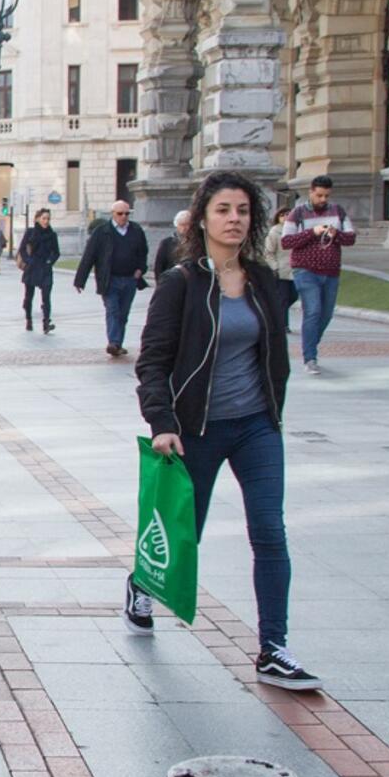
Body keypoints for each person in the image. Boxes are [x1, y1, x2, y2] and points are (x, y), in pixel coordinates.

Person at [134, 170, 318, 690]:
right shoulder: (181, 284)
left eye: (242, 211)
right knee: (182, 532)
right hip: (197, 430)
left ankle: (274, 648)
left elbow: (275, 351)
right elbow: (152, 362)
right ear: (202, 219)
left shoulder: (262, 281)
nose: (234, 219)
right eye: (223, 210)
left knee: (269, 531)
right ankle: (140, 586)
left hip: (257, 426)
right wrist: (163, 422)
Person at [278, 176, 357, 376]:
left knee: (326, 314)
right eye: (319, 195)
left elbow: (350, 238)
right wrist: (312, 232)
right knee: (312, 311)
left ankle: (310, 344)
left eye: (326, 196)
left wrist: (336, 234)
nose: (323, 199)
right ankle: (310, 358)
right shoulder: (297, 213)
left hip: (331, 271)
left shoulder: (338, 211)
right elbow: (286, 242)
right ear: (311, 192)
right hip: (305, 270)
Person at [74, 200, 148, 357]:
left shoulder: (136, 230)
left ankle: (118, 343)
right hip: (109, 279)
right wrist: (80, 280)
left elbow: (143, 252)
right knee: (113, 310)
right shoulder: (102, 232)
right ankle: (113, 342)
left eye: (127, 213)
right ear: (113, 214)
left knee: (123, 313)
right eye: (120, 213)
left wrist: (141, 269)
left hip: (129, 279)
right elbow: (89, 256)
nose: (123, 217)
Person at [18, 208, 59, 333]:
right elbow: (22, 249)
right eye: (44, 218)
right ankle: (28, 319)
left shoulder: (52, 234)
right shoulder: (30, 232)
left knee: (46, 297)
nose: (46, 221)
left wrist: (50, 261)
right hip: (32, 267)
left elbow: (56, 252)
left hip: (45, 268)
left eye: (48, 219)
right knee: (29, 296)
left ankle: (46, 322)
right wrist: (28, 260)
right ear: (37, 219)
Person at [153, 210, 189, 283]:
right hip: (172, 280)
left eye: (188, 224)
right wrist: (160, 283)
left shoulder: (197, 242)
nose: (185, 228)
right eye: (182, 225)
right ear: (177, 225)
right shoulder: (167, 243)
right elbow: (159, 266)